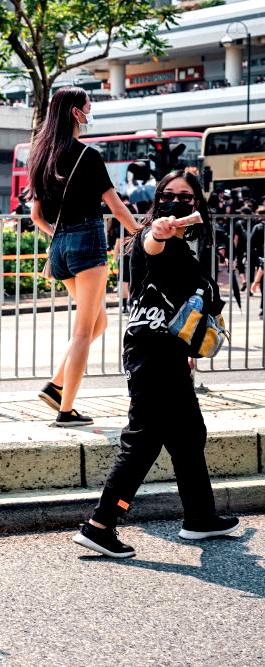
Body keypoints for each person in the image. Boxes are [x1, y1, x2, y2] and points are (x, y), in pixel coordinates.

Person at [72, 170, 241, 558]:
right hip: (151, 356)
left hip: (168, 355)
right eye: (168, 195)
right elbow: (152, 244)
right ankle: (99, 525)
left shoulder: (187, 250)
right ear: (158, 200)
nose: (177, 202)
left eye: (186, 196)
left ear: (197, 203)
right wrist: (159, 231)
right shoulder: (153, 241)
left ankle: (200, 518)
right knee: (142, 441)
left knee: (188, 436)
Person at [29, 87, 139, 427]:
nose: (91, 111)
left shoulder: (40, 154)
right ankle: (66, 410)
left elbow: (36, 216)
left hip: (59, 245)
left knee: (98, 322)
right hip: (87, 243)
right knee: (82, 331)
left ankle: (56, 385)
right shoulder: (88, 155)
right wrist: (139, 232)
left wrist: (62, 239)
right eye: (88, 106)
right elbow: (115, 204)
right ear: (76, 113)